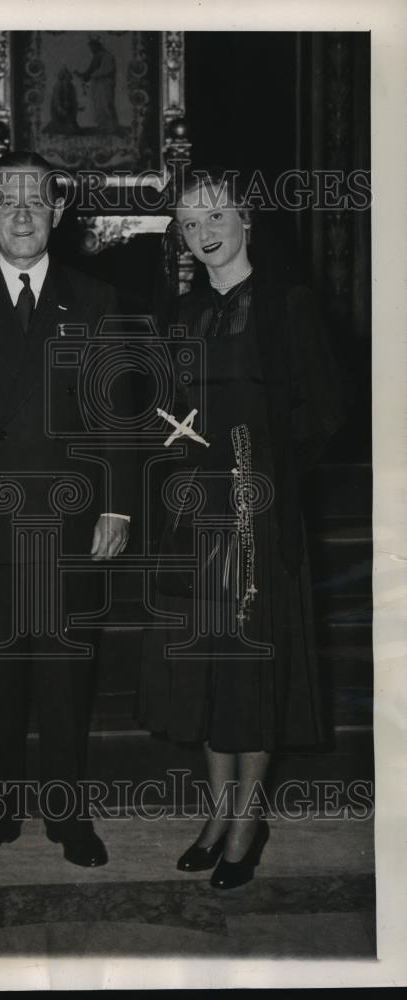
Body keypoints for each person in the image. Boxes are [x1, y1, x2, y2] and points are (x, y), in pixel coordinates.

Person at [0, 151, 132, 869]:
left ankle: (69, 819)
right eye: (6, 201)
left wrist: (118, 507)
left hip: (71, 522)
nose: (22, 213)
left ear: (58, 212)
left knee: (69, 678)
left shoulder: (95, 298)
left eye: (36, 200)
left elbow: (113, 417)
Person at [137, 167, 346, 888]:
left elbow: (323, 410)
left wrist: (266, 467)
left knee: (253, 672)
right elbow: (163, 410)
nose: (203, 233)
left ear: (245, 217)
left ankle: (247, 822)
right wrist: (172, 438)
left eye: (214, 216)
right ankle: (218, 812)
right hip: (194, 516)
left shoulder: (286, 304)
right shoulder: (183, 313)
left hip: (260, 517)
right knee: (209, 671)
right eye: (189, 225)